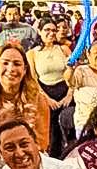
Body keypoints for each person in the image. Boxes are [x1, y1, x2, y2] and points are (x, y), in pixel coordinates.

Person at [0, 42, 50, 169]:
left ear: (25, 70)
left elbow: (42, 142)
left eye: (17, 64)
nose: (11, 69)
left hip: (30, 158)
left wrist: (18, 152)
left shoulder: (39, 99)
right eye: (5, 63)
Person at [29, 18, 73, 158]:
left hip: (65, 91)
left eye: (54, 30)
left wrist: (69, 95)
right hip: (45, 93)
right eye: (47, 30)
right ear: (40, 32)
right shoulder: (32, 53)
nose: (51, 33)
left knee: (70, 129)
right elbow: (33, 79)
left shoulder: (64, 49)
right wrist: (46, 99)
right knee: (52, 134)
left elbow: (74, 74)